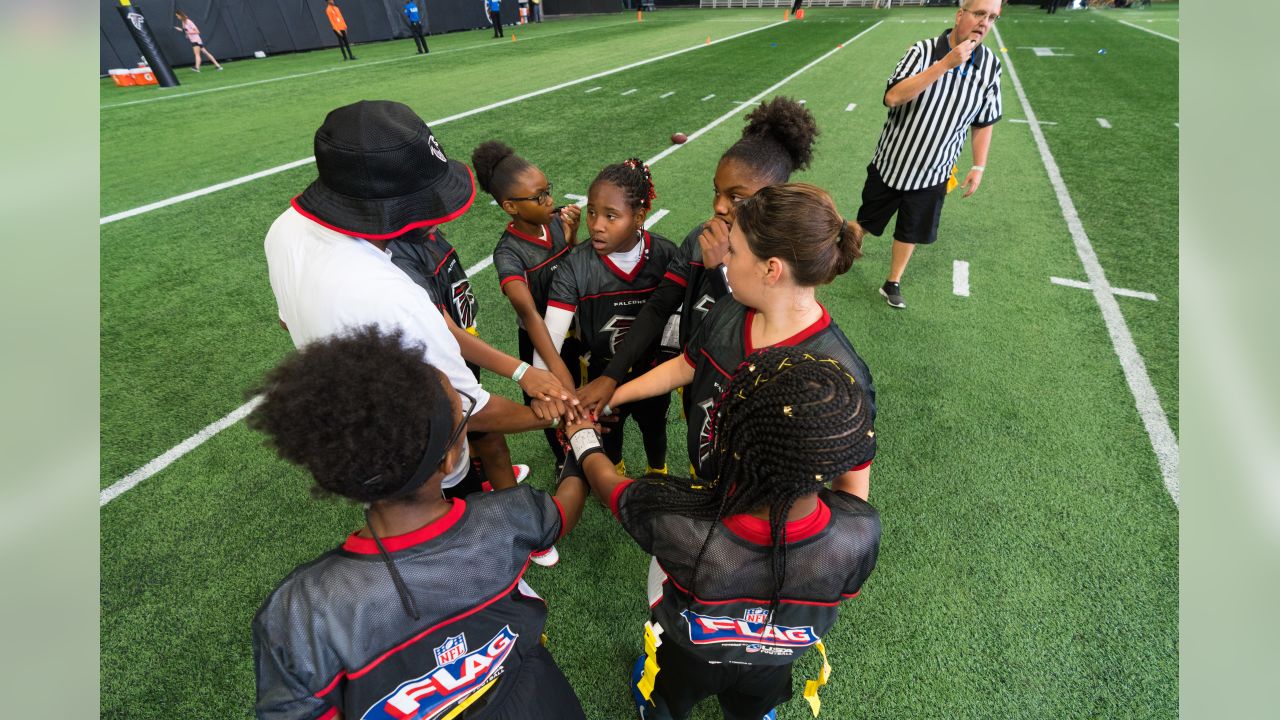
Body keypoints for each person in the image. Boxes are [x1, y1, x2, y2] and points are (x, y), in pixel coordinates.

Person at [249, 326, 589, 720]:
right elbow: (567, 506)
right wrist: (580, 441)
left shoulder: (301, 611)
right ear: (450, 461)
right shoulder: (508, 517)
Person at [264, 100, 577, 503]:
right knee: (453, 510)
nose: (438, 213)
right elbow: (468, 410)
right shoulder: (391, 295)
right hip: (425, 456)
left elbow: (288, 322)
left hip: (367, 431)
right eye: (427, 199)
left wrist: (522, 373)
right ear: (389, 209)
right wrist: (556, 415)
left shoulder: (284, 229)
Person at [560, 345, 882, 720]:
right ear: (838, 459)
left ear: (729, 439)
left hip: (688, 655)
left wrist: (582, 436)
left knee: (665, 700)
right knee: (754, 707)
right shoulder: (860, 532)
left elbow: (606, 482)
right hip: (773, 662)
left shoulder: (675, 514)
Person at [606, 184, 876, 495]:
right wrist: (615, 396)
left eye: (732, 251)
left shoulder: (839, 373)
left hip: (757, 526)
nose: (724, 260)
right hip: (707, 487)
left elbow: (851, 490)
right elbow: (686, 365)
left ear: (771, 270)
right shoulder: (728, 309)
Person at [578, 97, 819, 422]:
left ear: (774, 196)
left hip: (751, 408)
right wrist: (613, 375)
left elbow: (756, 338)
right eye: (717, 191)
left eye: (735, 197)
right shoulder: (698, 240)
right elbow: (659, 306)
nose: (719, 206)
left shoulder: (787, 261)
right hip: (699, 384)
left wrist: (719, 271)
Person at [387, 224, 574, 490]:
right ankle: (503, 514)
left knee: (489, 443)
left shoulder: (427, 232)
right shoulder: (399, 260)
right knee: (466, 451)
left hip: (461, 355)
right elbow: (475, 408)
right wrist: (530, 380)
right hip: (442, 370)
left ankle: (487, 481)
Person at [852, 0, 1003, 309]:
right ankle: (841, 255)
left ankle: (892, 281)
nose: (984, 23)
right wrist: (944, 65)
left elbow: (984, 121)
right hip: (893, 162)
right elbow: (893, 97)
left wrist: (979, 166)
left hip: (934, 171)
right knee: (866, 219)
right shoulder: (921, 52)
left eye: (992, 18)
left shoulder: (990, 66)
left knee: (910, 230)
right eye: (979, 14)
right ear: (961, 14)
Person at [537, 159, 679, 476]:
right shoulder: (576, 264)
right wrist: (555, 391)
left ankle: (658, 471)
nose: (597, 224)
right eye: (591, 212)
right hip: (599, 372)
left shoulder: (666, 255)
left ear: (639, 217)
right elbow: (550, 338)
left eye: (610, 216)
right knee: (609, 434)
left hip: (652, 372)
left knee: (655, 428)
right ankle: (614, 475)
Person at [473, 140, 583, 471]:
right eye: (539, 197)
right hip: (541, 342)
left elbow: (570, 271)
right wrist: (557, 370)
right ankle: (568, 462)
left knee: (584, 395)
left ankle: (591, 448)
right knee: (556, 403)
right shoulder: (508, 253)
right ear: (510, 206)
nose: (549, 200)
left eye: (548, 191)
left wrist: (572, 235)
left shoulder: (554, 224)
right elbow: (530, 315)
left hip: (575, 330)